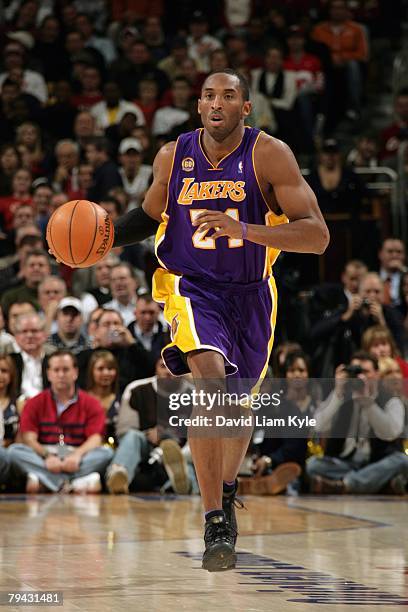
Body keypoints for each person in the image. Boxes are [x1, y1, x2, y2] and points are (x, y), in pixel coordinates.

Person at [49, 69, 329, 571]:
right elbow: (149, 218)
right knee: (210, 380)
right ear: (198, 107)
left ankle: (225, 482)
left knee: (238, 407)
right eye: (208, 96)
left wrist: (243, 228)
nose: (216, 103)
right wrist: (102, 238)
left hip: (250, 294)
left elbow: (317, 236)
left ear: (245, 108)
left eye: (228, 96)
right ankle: (214, 517)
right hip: (190, 285)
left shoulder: (270, 155)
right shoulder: (173, 156)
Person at [8, 350, 113, 493]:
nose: (61, 375)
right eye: (56, 370)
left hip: (78, 453)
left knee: (106, 453)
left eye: (66, 370)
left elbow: (95, 438)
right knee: (15, 451)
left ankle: (46, 481)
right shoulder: (34, 403)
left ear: (75, 372)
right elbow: (29, 438)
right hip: (45, 452)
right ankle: (71, 483)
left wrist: (76, 456)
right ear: (48, 374)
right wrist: (47, 456)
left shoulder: (91, 403)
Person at [308, 352, 408, 495]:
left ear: (377, 374)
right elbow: (318, 425)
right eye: (355, 372)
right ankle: (376, 484)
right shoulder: (342, 397)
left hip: (377, 462)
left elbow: (390, 434)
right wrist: (337, 393)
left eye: (365, 372)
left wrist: (368, 403)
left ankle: (344, 485)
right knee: (313, 465)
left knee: (402, 461)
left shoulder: (391, 401)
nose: (360, 377)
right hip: (346, 463)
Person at [86, 349, 120, 445]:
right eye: (100, 369)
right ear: (91, 371)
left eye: (110, 369)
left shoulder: (122, 399)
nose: (106, 373)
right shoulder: (82, 399)